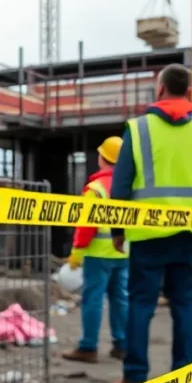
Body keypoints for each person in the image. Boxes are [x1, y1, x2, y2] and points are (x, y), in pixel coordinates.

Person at [106, 64, 192, 383]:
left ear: (159, 89)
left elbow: (120, 185)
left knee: (140, 305)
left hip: (148, 236)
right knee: (184, 306)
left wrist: (116, 230)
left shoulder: (139, 129)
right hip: (191, 234)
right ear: (189, 92)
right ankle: (184, 380)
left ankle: (134, 377)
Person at [62, 137, 129, 364]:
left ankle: (88, 347)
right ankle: (122, 345)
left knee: (93, 300)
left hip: (98, 254)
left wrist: (77, 252)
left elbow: (86, 225)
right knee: (121, 299)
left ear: (102, 159)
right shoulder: (130, 186)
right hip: (124, 253)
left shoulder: (96, 189)